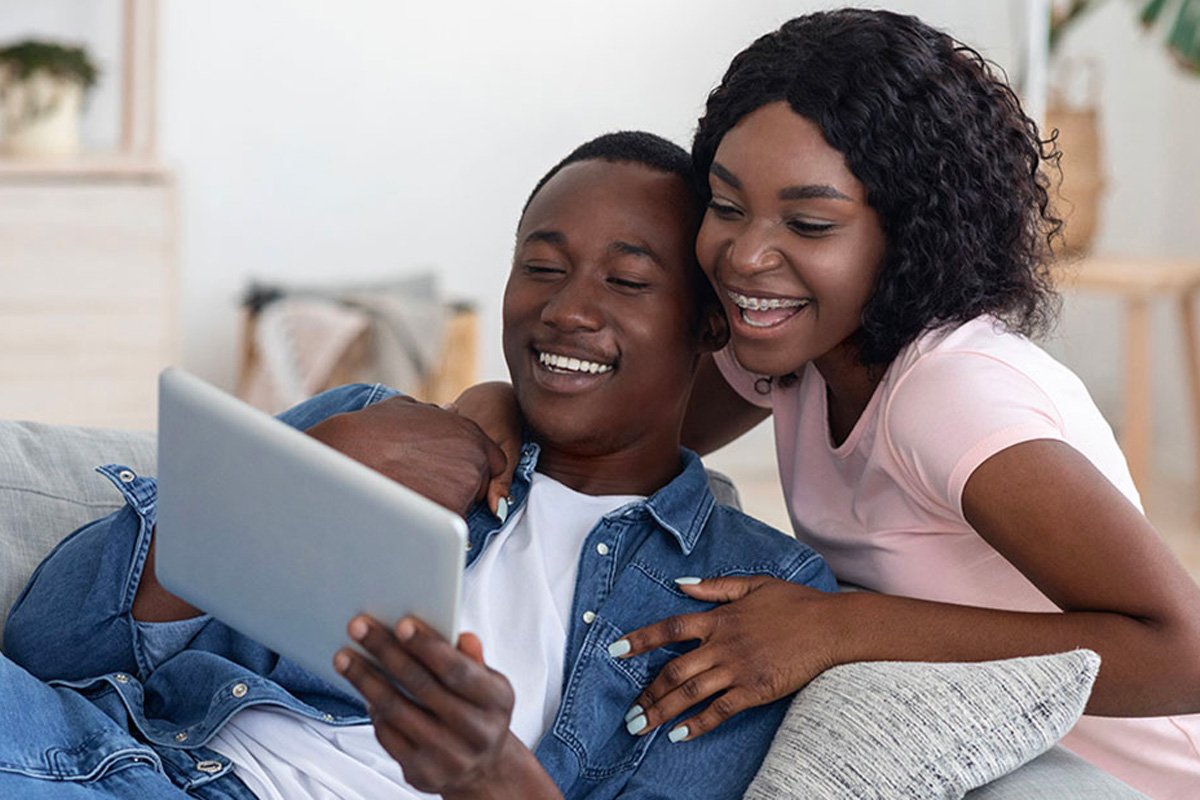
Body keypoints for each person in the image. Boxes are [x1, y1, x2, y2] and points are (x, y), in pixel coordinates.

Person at [457, 11, 1200, 799]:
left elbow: (1183, 654)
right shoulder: (798, 354)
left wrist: (840, 626)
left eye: (809, 223)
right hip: (914, 743)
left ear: (909, 234)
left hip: (1088, 778)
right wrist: (496, 405)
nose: (745, 257)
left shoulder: (950, 397)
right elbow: (616, 427)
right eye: (727, 205)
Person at [0, 131, 836, 799]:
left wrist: (489, 779)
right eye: (540, 268)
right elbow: (48, 647)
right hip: (120, 763)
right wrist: (318, 463)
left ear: (710, 327)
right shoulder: (375, 426)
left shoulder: (752, 588)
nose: (567, 309)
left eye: (626, 281)